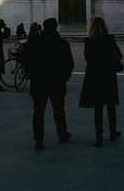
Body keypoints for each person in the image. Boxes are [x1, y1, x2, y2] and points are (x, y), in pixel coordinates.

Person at [26, 17, 73, 150]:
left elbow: (28, 63)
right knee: (59, 110)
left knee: (38, 112)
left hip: (39, 83)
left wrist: (33, 78)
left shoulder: (36, 44)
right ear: (56, 27)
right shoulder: (62, 44)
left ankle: (38, 140)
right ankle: (62, 134)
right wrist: (64, 78)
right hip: (57, 83)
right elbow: (69, 64)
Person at [79, 16, 123, 146]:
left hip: (95, 76)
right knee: (111, 106)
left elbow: (87, 58)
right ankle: (112, 132)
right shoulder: (109, 39)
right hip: (108, 75)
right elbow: (119, 55)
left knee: (98, 108)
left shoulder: (88, 41)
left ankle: (99, 136)